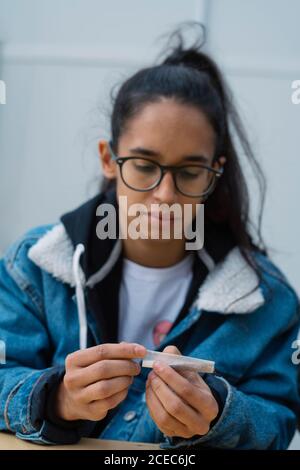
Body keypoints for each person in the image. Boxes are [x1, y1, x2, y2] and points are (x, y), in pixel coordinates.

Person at [0, 23, 299, 449]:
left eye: (189, 172)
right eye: (143, 165)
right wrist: (57, 398)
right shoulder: (33, 265)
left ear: (215, 173)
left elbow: (280, 422)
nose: (164, 195)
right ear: (109, 158)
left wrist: (218, 416)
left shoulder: (266, 301)